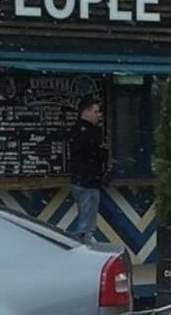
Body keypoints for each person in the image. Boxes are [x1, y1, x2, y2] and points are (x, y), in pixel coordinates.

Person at [68, 97, 109, 243]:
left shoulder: (78, 130)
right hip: (87, 181)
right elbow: (92, 153)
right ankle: (83, 244)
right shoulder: (86, 132)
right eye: (96, 111)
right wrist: (102, 154)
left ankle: (84, 241)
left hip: (82, 179)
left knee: (86, 218)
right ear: (85, 112)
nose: (99, 115)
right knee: (86, 223)